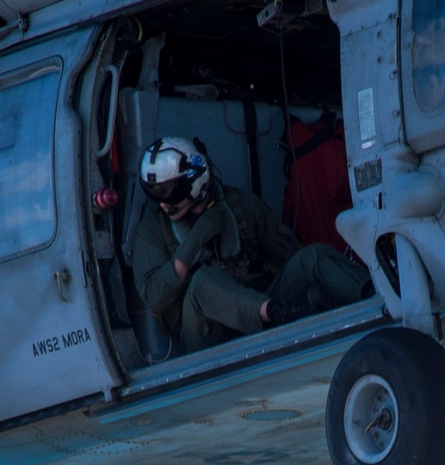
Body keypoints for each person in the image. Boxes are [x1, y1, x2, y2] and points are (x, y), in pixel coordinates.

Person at [131, 136, 371, 354]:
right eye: (156, 195)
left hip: (264, 306)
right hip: (207, 336)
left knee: (313, 256)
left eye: (170, 193)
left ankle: (376, 295)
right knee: (202, 281)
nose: (163, 204)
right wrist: (196, 239)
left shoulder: (241, 205)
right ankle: (275, 313)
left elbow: (289, 255)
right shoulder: (152, 230)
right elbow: (155, 296)